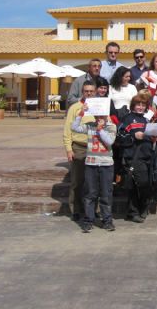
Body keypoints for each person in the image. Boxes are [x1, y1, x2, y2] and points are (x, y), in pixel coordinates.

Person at [71, 106, 117, 232]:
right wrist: (81, 114)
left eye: (101, 116)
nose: (99, 118)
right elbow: (74, 127)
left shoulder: (111, 126)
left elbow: (109, 141)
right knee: (90, 193)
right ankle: (88, 220)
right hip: (91, 163)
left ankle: (107, 220)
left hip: (106, 164)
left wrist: (100, 130)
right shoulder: (89, 125)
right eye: (97, 116)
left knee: (106, 194)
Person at [119, 95, 155, 223]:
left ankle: (142, 208)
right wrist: (134, 136)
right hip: (133, 157)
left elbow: (150, 136)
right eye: (138, 104)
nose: (140, 107)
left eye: (143, 105)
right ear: (133, 105)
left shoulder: (146, 120)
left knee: (145, 184)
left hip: (147, 155)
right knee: (136, 185)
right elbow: (120, 137)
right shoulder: (127, 119)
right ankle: (133, 212)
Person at [63, 81, 95, 221]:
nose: (89, 93)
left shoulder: (99, 107)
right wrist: (69, 149)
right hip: (79, 147)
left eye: (91, 91)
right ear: (82, 92)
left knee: (93, 182)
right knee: (77, 180)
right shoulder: (75, 108)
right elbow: (67, 129)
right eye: (86, 91)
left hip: (95, 147)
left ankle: (93, 210)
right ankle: (76, 209)